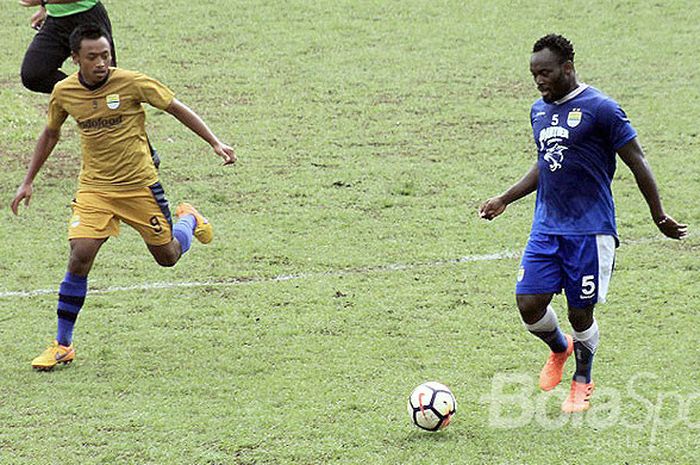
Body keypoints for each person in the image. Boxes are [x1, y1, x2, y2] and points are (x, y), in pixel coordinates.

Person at [479, 34, 687, 413]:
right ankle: (560, 348)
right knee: (528, 304)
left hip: (590, 231)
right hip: (547, 226)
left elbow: (637, 161)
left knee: (580, 311)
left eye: (545, 73)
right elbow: (546, 162)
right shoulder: (538, 112)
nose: (539, 81)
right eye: (533, 74)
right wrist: (505, 199)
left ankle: (582, 379)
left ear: (567, 69)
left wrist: (658, 214)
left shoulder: (602, 109)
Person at [11, 23, 236, 371]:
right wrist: (27, 181)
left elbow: (176, 107)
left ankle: (189, 219)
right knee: (80, 254)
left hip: (139, 186)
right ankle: (62, 344)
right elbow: (51, 134)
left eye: (106, 55)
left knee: (168, 257)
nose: (101, 62)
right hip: (95, 189)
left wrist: (215, 142)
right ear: (75, 59)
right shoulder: (64, 92)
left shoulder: (132, 82)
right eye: (92, 57)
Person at [20, 0, 117, 94]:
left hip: (87, 16)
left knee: (103, 80)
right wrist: (44, 8)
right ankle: (84, 97)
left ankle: (101, 99)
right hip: (56, 21)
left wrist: (44, 1)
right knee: (34, 75)